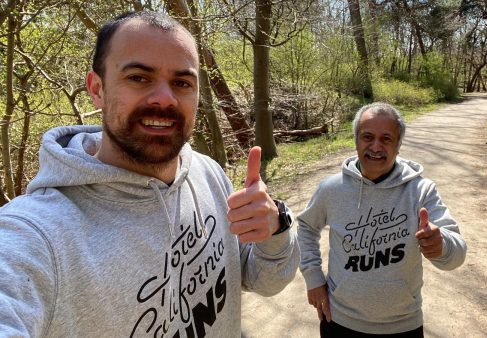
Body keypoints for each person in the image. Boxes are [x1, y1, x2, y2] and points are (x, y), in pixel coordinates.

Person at [0, 11, 299, 337]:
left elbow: (264, 280)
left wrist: (275, 229)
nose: (164, 98)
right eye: (139, 78)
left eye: (182, 83)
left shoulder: (208, 174)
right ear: (97, 89)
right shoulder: (37, 235)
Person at [297, 102, 467, 338]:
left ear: (398, 145)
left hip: (403, 325)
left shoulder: (421, 191)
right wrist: (313, 277)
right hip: (338, 320)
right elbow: (306, 227)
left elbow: (457, 253)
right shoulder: (331, 188)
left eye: (386, 139)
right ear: (356, 140)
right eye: (367, 137)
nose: (375, 146)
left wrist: (443, 245)